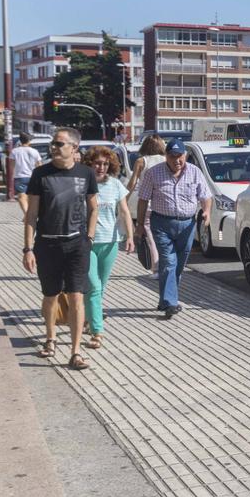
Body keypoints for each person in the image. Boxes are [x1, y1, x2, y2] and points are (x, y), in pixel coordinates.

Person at [22, 127, 98, 370]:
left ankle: (75, 352)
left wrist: (90, 236)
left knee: (77, 296)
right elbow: (32, 214)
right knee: (51, 295)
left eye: (59, 144)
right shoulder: (41, 174)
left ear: (74, 148)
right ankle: (51, 337)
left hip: (76, 244)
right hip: (47, 243)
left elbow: (94, 206)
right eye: (53, 144)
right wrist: (27, 249)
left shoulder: (86, 173)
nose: (53, 147)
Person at [134, 139, 211, 318]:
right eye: (173, 156)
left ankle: (165, 300)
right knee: (168, 262)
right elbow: (143, 199)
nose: (177, 160)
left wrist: (206, 212)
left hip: (187, 225)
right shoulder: (153, 173)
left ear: (185, 156)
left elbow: (206, 196)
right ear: (166, 156)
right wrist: (139, 226)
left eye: (180, 156)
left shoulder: (195, 172)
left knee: (179, 264)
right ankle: (171, 303)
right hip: (161, 223)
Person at [83, 146, 135, 349]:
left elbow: (124, 211)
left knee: (100, 288)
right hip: (88, 242)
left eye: (105, 164)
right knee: (93, 286)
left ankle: (89, 318)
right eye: (97, 163)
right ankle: (98, 331)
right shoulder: (83, 184)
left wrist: (130, 236)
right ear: (90, 164)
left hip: (110, 242)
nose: (101, 167)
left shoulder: (115, 185)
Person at [128, 135, 166, 269]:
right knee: (163, 237)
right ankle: (165, 265)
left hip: (147, 203)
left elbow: (133, 182)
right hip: (163, 204)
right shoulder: (166, 159)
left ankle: (156, 267)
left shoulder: (141, 161)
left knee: (150, 237)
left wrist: (124, 199)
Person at [11, 132, 42, 217]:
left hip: (20, 177)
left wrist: (11, 177)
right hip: (33, 177)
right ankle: (28, 215)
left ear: (20, 141)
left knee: (21, 197)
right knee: (30, 198)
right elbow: (39, 165)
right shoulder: (34, 151)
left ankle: (27, 214)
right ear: (29, 141)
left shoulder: (14, 151)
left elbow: (11, 166)